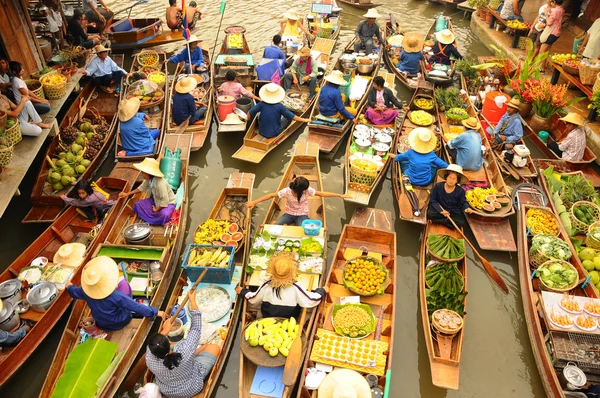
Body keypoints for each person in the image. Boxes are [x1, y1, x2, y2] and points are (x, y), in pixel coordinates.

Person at [146, 289, 220, 398]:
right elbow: (196, 329)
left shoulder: (149, 358)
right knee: (214, 347)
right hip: (192, 387)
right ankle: (198, 355)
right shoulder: (184, 351)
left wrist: (165, 330)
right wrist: (193, 301)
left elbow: (151, 346)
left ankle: (197, 354)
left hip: (168, 391)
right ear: (169, 344)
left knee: (198, 351)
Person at [66, 256, 166, 331]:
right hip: (120, 322)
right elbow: (135, 307)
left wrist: (69, 286)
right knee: (124, 287)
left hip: (101, 323)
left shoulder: (86, 291)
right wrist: (156, 312)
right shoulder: (115, 296)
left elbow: (74, 292)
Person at [236, 253, 327, 318]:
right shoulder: (296, 287)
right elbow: (311, 299)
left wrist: (243, 291)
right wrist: (322, 290)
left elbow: (253, 298)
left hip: (268, 316)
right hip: (289, 317)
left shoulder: (266, 285)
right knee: (305, 309)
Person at [246, 175, 347, 226]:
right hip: (289, 214)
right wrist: (255, 202)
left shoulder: (307, 190)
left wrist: (339, 195)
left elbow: (322, 194)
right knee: (275, 226)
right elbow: (271, 195)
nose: (307, 189)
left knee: (304, 230)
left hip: (302, 214)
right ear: (300, 189)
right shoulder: (287, 191)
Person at [118, 158, 177, 225]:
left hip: (168, 203)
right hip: (156, 201)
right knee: (138, 205)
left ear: (149, 174)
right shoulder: (149, 179)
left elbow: (165, 200)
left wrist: (156, 210)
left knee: (164, 214)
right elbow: (142, 188)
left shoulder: (160, 183)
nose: (143, 175)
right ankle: (153, 217)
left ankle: (153, 217)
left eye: (144, 173)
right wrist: (127, 194)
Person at [245, 83, 310, 138]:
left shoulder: (261, 104)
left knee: (259, 115)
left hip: (261, 132)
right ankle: (284, 130)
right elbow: (293, 117)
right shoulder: (280, 106)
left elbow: (249, 113)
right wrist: (304, 120)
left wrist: (247, 119)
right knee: (288, 117)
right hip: (275, 133)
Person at [427, 164, 474, 229]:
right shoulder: (438, 186)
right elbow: (433, 200)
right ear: (446, 177)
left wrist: (467, 208)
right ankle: (446, 221)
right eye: (449, 177)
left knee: (461, 222)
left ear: (457, 181)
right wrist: (441, 211)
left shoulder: (460, 191)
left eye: (454, 179)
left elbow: (463, 202)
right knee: (430, 214)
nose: (451, 180)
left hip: (452, 211)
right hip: (440, 208)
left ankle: (439, 221)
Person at [539, 0, 565, 74]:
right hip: (556, 33)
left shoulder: (555, 11)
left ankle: (542, 68)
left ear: (554, 2)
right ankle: (544, 65)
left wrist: (547, 14)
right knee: (547, 50)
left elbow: (549, 23)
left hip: (551, 33)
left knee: (542, 51)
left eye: (551, 2)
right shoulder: (561, 9)